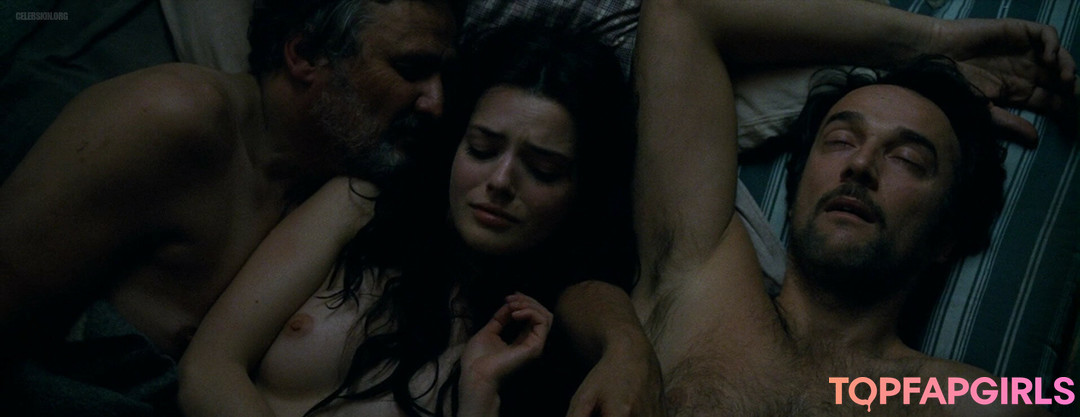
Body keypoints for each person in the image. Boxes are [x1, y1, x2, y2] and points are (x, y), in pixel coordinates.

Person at [0, 0, 455, 413]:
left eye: (443, 78)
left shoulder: (343, 196)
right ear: (305, 56)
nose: (436, 103)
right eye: (410, 68)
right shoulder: (173, 116)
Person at [179, 26, 660, 417]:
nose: (500, 181)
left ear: (580, 194)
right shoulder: (358, 206)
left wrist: (477, 401)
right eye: (482, 149)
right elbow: (208, 367)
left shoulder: (535, 348)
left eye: (543, 170)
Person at [631, 0, 1075, 416]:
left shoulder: (964, 402)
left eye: (907, 159)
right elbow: (680, 11)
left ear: (946, 235)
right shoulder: (699, 283)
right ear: (795, 193)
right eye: (840, 141)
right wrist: (936, 40)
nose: (860, 165)